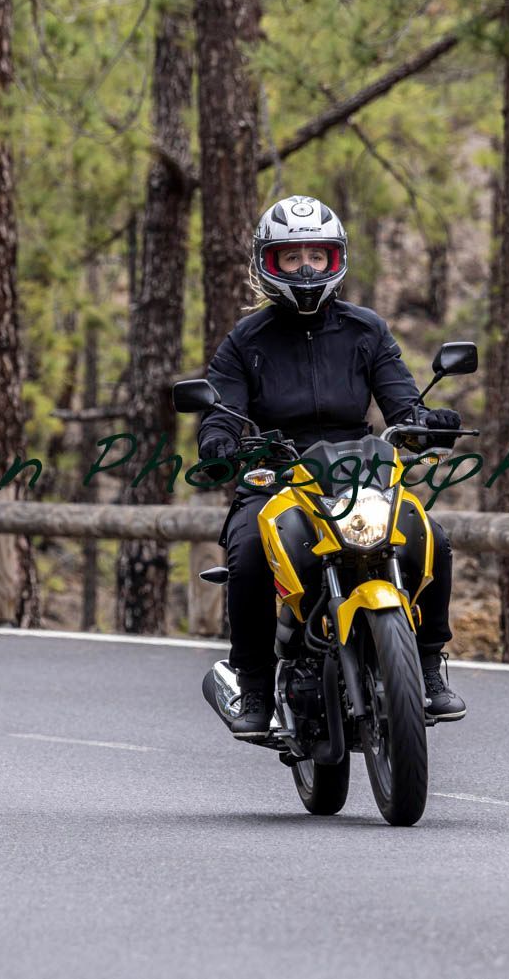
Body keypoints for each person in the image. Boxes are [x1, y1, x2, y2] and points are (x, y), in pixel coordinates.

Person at [197, 195, 465, 736]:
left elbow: (403, 406)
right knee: (248, 554)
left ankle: (429, 665)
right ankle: (253, 685)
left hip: (358, 472)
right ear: (267, 264)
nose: (305, 269)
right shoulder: (244, 342)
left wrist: (429, 422)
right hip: (277, 475)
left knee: (430, 534)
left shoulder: (367, 330)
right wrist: (220, 442)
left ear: (334, 258)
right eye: (290, 258)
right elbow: (219, 415)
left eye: (316, 256)